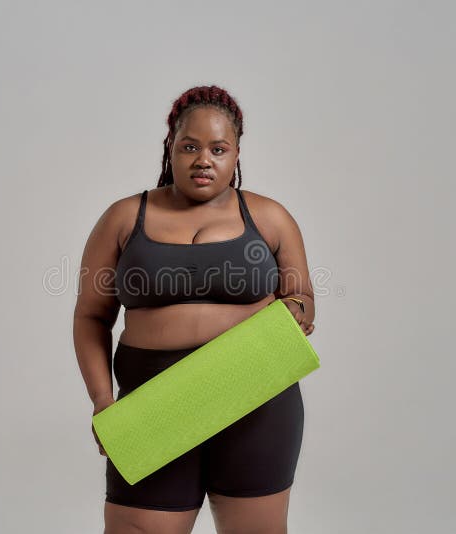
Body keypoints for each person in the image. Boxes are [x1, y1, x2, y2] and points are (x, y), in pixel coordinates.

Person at [74, 85, 315, 534]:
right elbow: (91, 315)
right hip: (152, 404)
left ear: (236, 152)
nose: (204, 159)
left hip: (256, 401)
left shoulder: (270, 217)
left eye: (218, 148)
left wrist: (297, 311)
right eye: (190, 146)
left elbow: (303, 300)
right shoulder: (124, 217)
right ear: (171, 147)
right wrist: (103, 401)